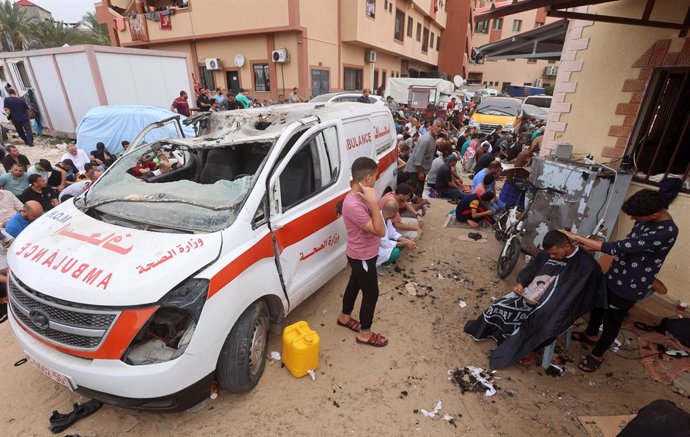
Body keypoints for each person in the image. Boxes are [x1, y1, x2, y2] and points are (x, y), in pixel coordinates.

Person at [563, 189, 678, 373]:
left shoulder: (666, 232)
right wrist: (593, 248)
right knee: (599, 305)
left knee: (613, 319)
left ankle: (597, 354)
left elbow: (623, 246)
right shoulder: (646, 217)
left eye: (637, 218)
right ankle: (591, 334)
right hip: (617, 271)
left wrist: (579, 238)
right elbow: (626, 246)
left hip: (632, 283)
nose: (634, 220)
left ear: (655, 215)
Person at [464, 230, 606, 369]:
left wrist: (554, 303)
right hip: (531, 295)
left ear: (567, 247)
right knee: (500, 306)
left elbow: (584, 295)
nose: (551, 256)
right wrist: (521, 284)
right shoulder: (547, 254)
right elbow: (532, 270)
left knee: (541, 322)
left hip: (558, 306)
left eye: (555, 253)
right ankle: (498, 333)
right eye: (549, 253)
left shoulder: (587, 266)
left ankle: (528, 349)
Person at [336, 157, 388, 347]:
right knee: (371, 293)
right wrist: (374, 203)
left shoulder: (360, 196)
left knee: (355, 284)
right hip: (362, 255)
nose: (376, 178)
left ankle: (344, 317)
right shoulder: (353, 204)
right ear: (367, 178)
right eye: (375, 176)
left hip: (363, 254)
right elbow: (380, 231)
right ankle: (365, 334)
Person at [405, 118, 443, 197]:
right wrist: (420, 172)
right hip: (415, 171)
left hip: (421, 170)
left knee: (419, 193)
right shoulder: (426, 139)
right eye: (438, 126)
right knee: (415, 195)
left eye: (441, 127)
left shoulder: (433, 137)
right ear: (432, 126)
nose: (439, 129)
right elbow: (417, 157)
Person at [377, 200, 416, 267]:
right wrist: (405, 243)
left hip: (384, 244)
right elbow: (385, 244)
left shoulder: (387, 217)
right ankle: (383, 265)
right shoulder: (378, 221)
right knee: (396, 252)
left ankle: (389, 257)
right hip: (377, 249)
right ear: (393, 213)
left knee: (403, 240)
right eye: (397, 212)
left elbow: (393, 233)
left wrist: (408, 241)